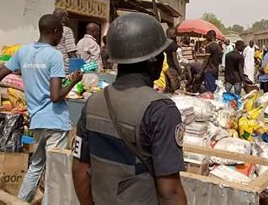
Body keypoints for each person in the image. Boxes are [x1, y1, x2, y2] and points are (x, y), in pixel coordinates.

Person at [0, 14, 83, 203]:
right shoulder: (54, 55)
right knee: (53, 172)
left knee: (36, 165)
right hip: (55, 121)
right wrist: (73, 81)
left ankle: (19, 201)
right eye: (61, 33)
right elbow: (55, 96)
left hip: (37, 121)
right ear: (56, 32)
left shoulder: (23, 52)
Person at [71, 13, 187, 205]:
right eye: (160, 54)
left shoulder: (92, 103)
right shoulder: (161, 110)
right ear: (152, 60)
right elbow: (171, 192)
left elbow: (79, 170)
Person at [53, 9, 77, 73]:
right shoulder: (66, 30)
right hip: (64, 67)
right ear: (63, 18)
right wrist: (77, 68)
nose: (68, 19)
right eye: (67, 17)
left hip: (52, 65)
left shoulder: (49, 29)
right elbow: (71, 52)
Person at [164, 28, 182, 93]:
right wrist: (180, 71)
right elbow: (175, 59)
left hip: (164, 68)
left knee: (167, 87)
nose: (175, 35)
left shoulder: (162, 43)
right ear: (170, 34)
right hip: (172, 68)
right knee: (175, 89)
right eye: (174, 34)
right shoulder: (172, 44)